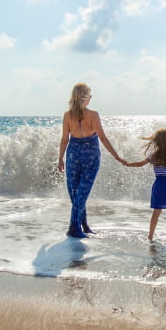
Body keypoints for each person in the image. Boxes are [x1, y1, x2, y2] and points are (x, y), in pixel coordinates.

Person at [58, 83, 126, 238]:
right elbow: (102, 137)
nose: (91, 97)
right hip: (90, 156)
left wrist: (60, 158)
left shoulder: (68, 115)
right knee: (80, 193)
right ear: (86, 98)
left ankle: (83, 225)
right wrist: (117, 156)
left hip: (73, 155)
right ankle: (73, 228)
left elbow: (64, 140)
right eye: (90, 95)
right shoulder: (93, 115)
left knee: (77, 193)